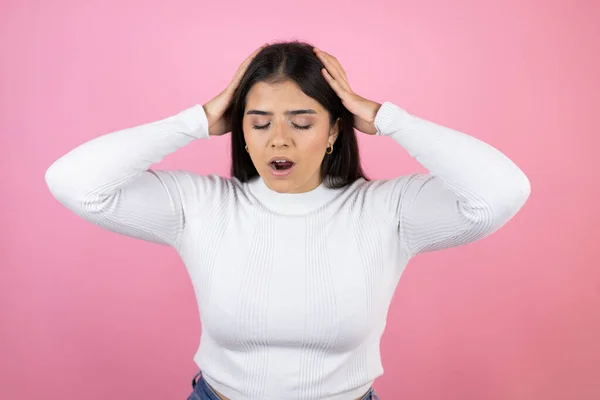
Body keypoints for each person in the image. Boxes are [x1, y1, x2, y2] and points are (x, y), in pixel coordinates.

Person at [44, 41, 531, 400]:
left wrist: (389, 118)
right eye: (259, 122)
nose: (279, 140)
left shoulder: (389, 210)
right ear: (240, 129)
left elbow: (501, 192)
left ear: (335, 130)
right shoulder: (197, 205)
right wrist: (194, 120)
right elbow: (73, 181)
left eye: (301, 122)